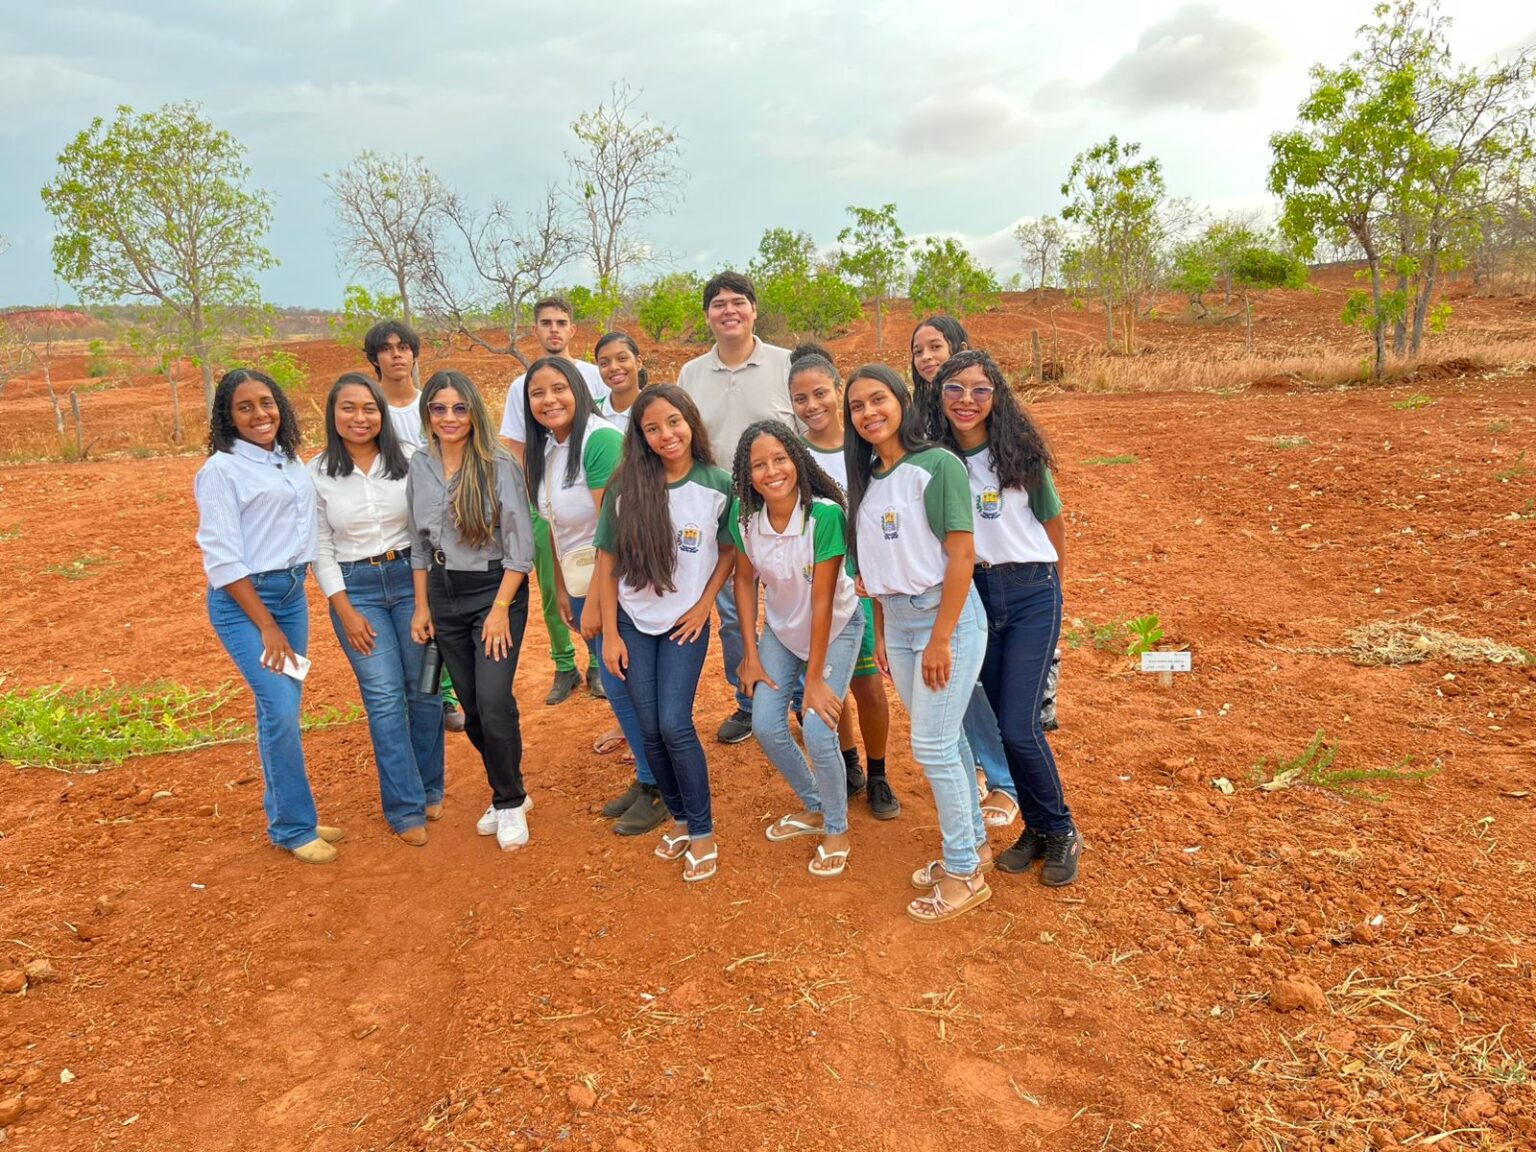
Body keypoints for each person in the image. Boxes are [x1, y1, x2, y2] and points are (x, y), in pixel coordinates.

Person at [843, 364, 991, 924]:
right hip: (900, 625)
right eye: (856, 406)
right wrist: (883, 633)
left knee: (930, 746)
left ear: (901, 401)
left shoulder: (937, 465)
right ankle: (972, 849)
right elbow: (878, 567)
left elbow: (961, 555)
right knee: (944, 739)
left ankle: (963, 873)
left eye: (877, 399)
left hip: (942, 620)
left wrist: (941, 638)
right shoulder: (872, 478)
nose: (868, 413)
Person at [937, 350, 1081, 885]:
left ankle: (1062, 829)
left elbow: (1054, 526)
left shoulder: (1020, 454)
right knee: (1003, 724)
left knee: (1021, 726)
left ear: (996, 396)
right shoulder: (937, 460)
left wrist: (1053, 592)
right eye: (955, 389)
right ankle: (1038, 829)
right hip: (975, 593)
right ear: (939, 396)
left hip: (1030, 591)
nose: (967, 400)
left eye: (979, 389)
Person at [195, 369, 340, 865]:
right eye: (245, 407)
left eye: (267, 403)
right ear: (227, 417)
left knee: (281, 708)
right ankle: (295, 827)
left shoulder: (289, 461)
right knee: (279, 708)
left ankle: (287, 813)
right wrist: (267, 625)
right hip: (246, 605)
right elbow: (222, 560)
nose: (260, 415)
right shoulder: (221, 470)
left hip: (290, 594)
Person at [594, 385, 735, 883]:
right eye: (652, 428)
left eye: (673, 422)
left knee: (675, 724)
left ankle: (702, 830)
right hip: (633, 623)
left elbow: (729, 550)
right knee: (648, 729)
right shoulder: (625, 487)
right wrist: (610, 634)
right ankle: (676, 816)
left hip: (684, 624)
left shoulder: (719, 484)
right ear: (640, 435)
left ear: (690, 421)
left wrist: (703, 606)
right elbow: (607, 562)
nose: (665, 435)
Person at [522, 356, 667, 836]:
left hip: (616, 588)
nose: (549, 400)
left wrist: (603, 606)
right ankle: (647, 777)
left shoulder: (598, 441)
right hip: (583, 586)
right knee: (619, 688)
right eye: (538, 393)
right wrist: (563, 589)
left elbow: (615, 532)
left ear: (579, 391)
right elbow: (556, 527)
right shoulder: (547, 450)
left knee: (629, 685)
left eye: (559, 389)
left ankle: (661, 787)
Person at [308, 372, 444, 847]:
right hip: (356, 589)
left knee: (424, 692)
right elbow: (320, 547)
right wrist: (342, 607)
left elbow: (426, 532)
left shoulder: (408, 461)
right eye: (348, 408)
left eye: (369, 408)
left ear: (382, 413)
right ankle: (404, 808)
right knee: (385, 699)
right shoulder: (317, 472)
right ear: (333, 414)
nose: (359, 417)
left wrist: (425, 602)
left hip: (412, 580)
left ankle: (429, 787)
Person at [408, 371, 536, 852]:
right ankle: (513, 788)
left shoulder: (498, 463)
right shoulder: (419, 464)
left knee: (495, 698)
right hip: (443, 592)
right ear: (427, 414)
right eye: (439, 408)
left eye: (459, 408)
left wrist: (501, 609)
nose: (449, 418)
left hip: (494, 589)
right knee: (474, 708)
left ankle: (507, 800)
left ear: (474, 411)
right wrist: (422, 606)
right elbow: (418, 546)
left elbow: (520, 550)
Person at [730, 421, 863, 877]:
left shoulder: (824, 515)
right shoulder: (745, 517)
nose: (772, 471)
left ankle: (838, 828)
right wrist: (749, 654)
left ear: (797, 460)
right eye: (759, 465)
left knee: (820, 727)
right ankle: (816, 806)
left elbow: (823, 600)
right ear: (747, 476)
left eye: (780, 459)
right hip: (782, 629)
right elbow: (743, 582)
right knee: (766, 724)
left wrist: (815, 678)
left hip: (837, 625)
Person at [676, 272, 796, 745]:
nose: (729, 310)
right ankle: (748, 699)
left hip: (785, 505)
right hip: (722, 510)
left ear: (753, 309)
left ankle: (805, 696)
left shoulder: (786, 364)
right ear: (707, 316)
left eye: (738, 302)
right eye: (718, 304)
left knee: (794, 601)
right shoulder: (690, 374)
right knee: (731, 610)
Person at [908, 316, 1018, 827]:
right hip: (941, 568)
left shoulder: (991, 417)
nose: (927, 357)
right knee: (960, 681)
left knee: (988, 681)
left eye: (937, 347)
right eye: (919, 350)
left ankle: (1004, 778)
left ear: (959, 350)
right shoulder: (918, 424)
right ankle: (972, 765)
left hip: (992, 567)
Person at [787, 351, 896, 819]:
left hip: (863, 581)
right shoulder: (793, 453)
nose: (811, 405)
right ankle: (848, 760)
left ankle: (878, 773)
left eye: (819, 393)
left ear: (837, 390)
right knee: (832, 684)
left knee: (868, 683)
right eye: (799, 398)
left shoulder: (865, 446)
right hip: (816, 583)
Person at [498, 297, 610, 707]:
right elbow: (516, 446)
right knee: (555, 585)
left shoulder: (593, 376)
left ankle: (599, 662)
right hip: (545, 497)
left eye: (561, 322)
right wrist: (525, 504)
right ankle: (564, 664)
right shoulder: (519, 385)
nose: (554, 330)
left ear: (573, 329)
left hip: (589, 489)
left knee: (599, 571)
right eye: (545, 323)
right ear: (535, 330)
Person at [364, 318, 466, 734]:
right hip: (388, 529)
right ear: (374, 358)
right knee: (414, 611)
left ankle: (444, 693)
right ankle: (420, 695)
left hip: (433, 525)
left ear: (414, 353)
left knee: (439, 606)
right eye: (386, 348)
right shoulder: (369, 410)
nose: (396, 355)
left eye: (403, 347)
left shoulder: (433, 405)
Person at [593, 331, 648, 434]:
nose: (613, 367)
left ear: (638, 362)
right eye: (604, 363)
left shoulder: (653, 410)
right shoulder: (590, 411)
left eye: (622, 359)